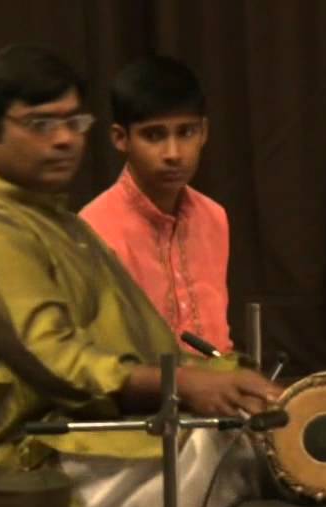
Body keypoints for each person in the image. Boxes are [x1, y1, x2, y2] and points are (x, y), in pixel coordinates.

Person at [0, 44, 282, 507]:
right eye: (43, 124)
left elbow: (141, 345)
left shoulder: (53, 221)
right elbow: (62, 365)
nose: (66, 140)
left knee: (275, 436)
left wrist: (232, 381)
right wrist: (188, 385)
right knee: (253, 465)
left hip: (96, 449)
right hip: (32, 472)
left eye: (73, 123)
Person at [80, 56, 233, 356]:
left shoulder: (214, 217)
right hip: (140, 399)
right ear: (120, 138)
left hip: (216, 390)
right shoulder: (92, 229)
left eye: (186, 132)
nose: (174, 153)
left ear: (204, 132)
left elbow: (219, 343)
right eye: (154, 135)